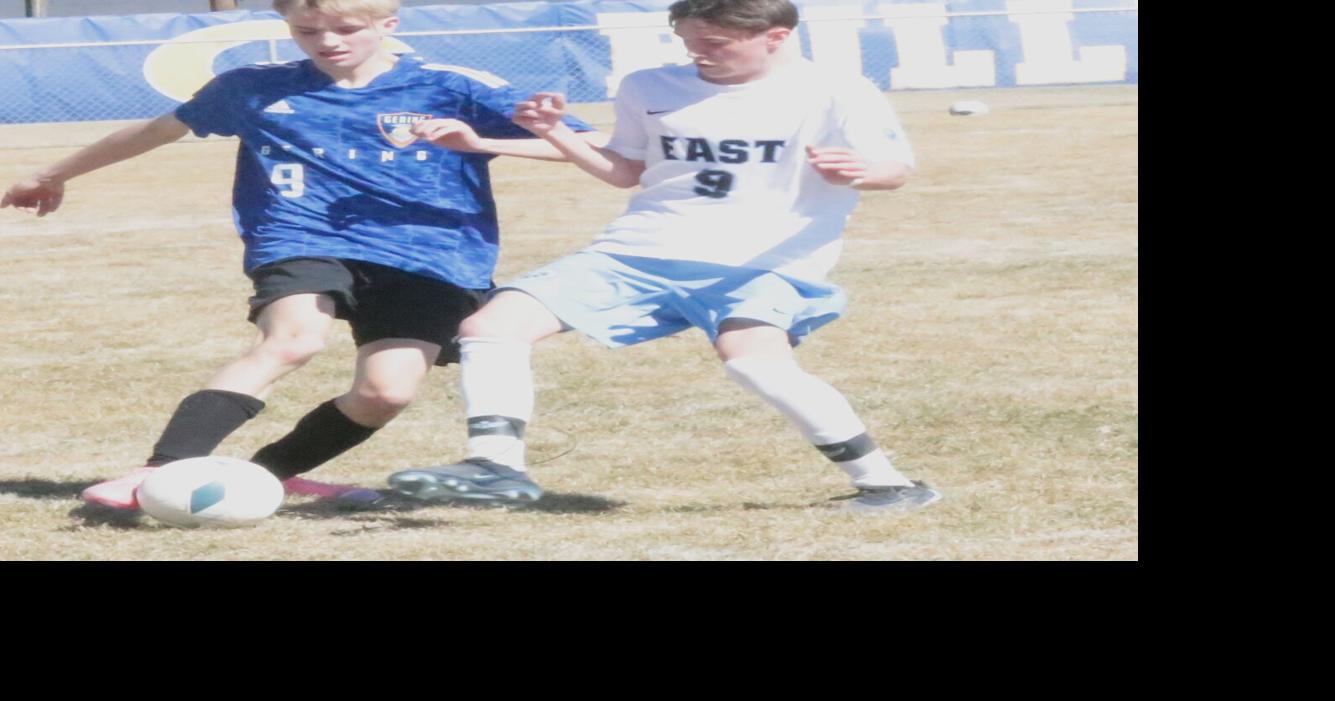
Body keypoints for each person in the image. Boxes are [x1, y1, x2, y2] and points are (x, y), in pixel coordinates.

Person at [1, 0, 593, 509]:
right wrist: (52, 173)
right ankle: (163, 470)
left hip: (433, 254)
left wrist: (484, 142)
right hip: (301, 236)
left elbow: (591, 146)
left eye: (346, 29)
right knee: (292, 339)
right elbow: (157, 131)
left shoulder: (455, 87)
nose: (328, 42)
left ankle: (264, 477)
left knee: (386, 392)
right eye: (308, 31)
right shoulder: (252, 87)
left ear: (386, 23)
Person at [385, 0, 941, 513]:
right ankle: (495, 466)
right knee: (491, 326)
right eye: (689, 41)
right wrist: (552, 133)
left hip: (764, 261)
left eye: (717, 43)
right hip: (643, 249)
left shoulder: (836, 90)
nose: (698, 54)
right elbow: (626, 170)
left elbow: (895, 168)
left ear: (776, 36)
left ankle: (886, 483)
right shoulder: (649, 85)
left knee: (752, 360)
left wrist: (867, 172)